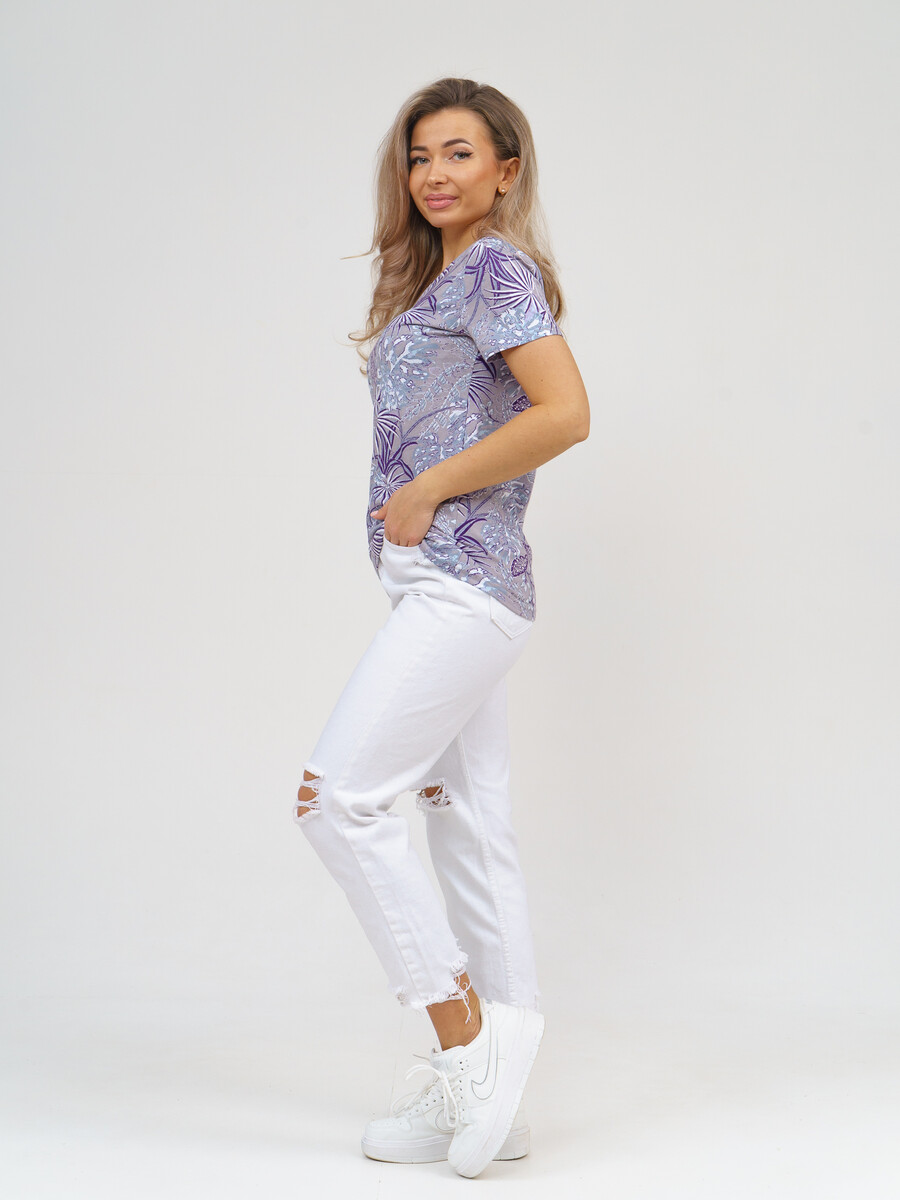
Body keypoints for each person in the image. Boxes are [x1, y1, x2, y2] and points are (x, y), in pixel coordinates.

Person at [293, 77, 590, 1178]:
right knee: (469, 825)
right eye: (420, 156)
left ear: (506, 170)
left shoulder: (497, 271)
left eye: (459, 154)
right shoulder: (445, 279)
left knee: (339, 801)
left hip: (465, 583)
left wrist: (427, 492)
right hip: (442, 584)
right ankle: (497, 1104)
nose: (434, 174)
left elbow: (567, 412)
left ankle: (467, 1040)